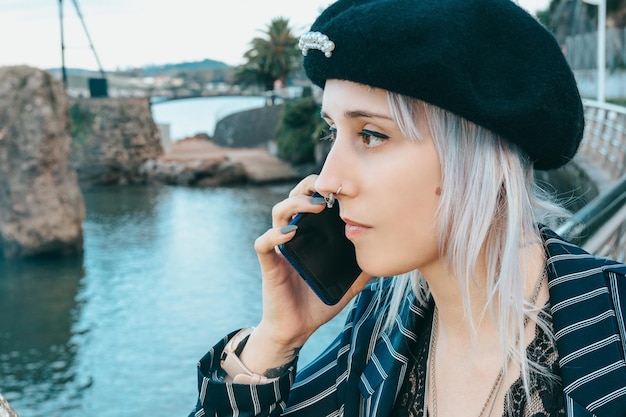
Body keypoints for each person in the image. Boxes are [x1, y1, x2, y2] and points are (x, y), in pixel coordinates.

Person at [188, 0, 626, 416]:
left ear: (479, 156)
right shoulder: (376, 331)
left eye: (372, 135)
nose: (326, 181)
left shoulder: (614, 329)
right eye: (332, 132)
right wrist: (276, 340)